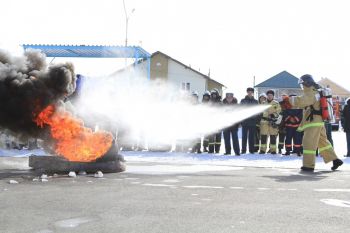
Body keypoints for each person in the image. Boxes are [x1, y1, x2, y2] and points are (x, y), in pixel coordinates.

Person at [284, 74, 343, 172]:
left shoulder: (311, 92)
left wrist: (288, 100)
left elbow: (303, 101)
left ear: (307, 83)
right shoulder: (315, 91)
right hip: (318, 122)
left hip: (313, 122)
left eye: (302, 84)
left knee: (308, 143)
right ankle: (335, 160)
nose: (302, 87)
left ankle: (308, 165)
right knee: (323, 142)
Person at [259, 90, 281, 154]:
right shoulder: (263, 103)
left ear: (273, 96)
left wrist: (273, 115)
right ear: (267, 96)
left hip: (272, 122)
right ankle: (262, 150)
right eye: (268, 95)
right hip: (264, 122)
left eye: (271, 95)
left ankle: (273, 150)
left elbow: (279, 111)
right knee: (263, 136)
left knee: (273, 136)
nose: (269, 96)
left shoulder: (276, 103)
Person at [240, 87, 259, 154]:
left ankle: (251, 150)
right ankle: (243, 150)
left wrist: (256, 120)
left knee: (251, 137)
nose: (250, 93)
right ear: (247, 92)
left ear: (253, 93)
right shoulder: (243, 101)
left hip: (252, 122)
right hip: (245, 121)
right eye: (249, 91)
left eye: (251, 92)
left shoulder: (256, 101)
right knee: (244, 136)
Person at [222, 91, 240, 155]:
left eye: (230, 97)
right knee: (226, 139)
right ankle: (228, 151)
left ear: (232, 98)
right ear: (226, 98)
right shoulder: (222, 105)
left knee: (235, 139)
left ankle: (237, 152)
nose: (229, 99)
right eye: (228, 98)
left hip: (234, 125)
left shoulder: (236, 105)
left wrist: (238, 124)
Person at [208, 89, 222, 153]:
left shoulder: (220, 102)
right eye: (212, 94)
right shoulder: (209, 102)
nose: (214, 96)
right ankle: (211, 150)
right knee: (211, 137)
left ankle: (217, 150)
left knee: (218, 137)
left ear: (217, 94)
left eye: (215, 94)